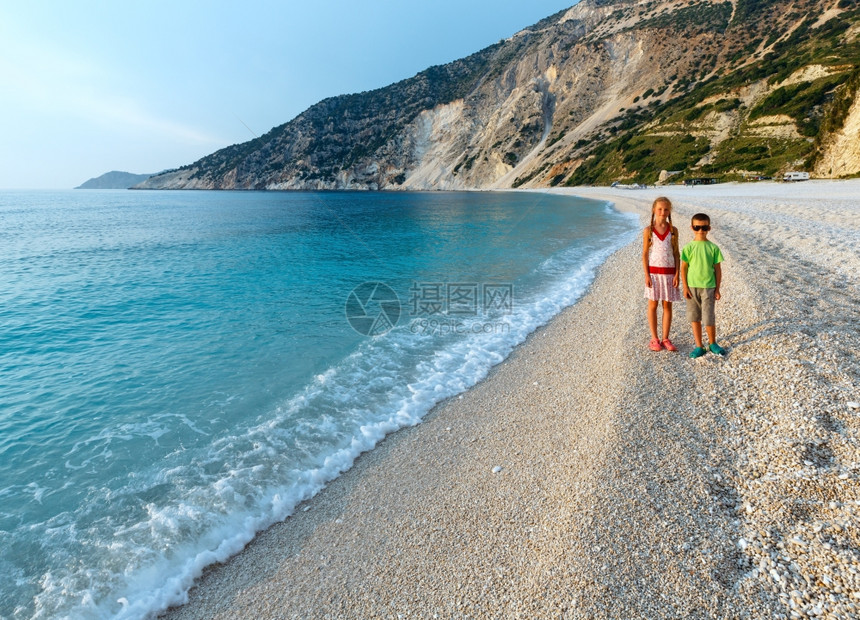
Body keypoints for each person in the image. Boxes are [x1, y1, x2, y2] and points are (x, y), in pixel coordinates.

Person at [680, 213, 727, 358]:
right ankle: (699, 345)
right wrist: (685, 287)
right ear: (692, 228)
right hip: (692, 287)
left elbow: (718, 269)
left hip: (709, 287)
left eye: (704, 227)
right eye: (697, 227)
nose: (701, 230)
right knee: (694, 317)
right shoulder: (688, 247)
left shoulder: (713, 248)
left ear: (709, 228)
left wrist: (717, 288)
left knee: (709, 316)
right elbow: (684, 268)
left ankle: (712, 343)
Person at [642, 197, 682, 351]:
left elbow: (676, 253)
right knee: (653, 304)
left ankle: (665, 338)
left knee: (667, 305)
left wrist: (677, 274)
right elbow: (645, 254)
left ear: (669, 211)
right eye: (659, 209)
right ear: (654, 210)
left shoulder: (673, 230)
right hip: (654, 273)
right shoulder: (649, 230)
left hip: (670, 273)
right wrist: (646, 275)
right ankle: (654, 338)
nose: (663, 212)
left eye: (666, 209)